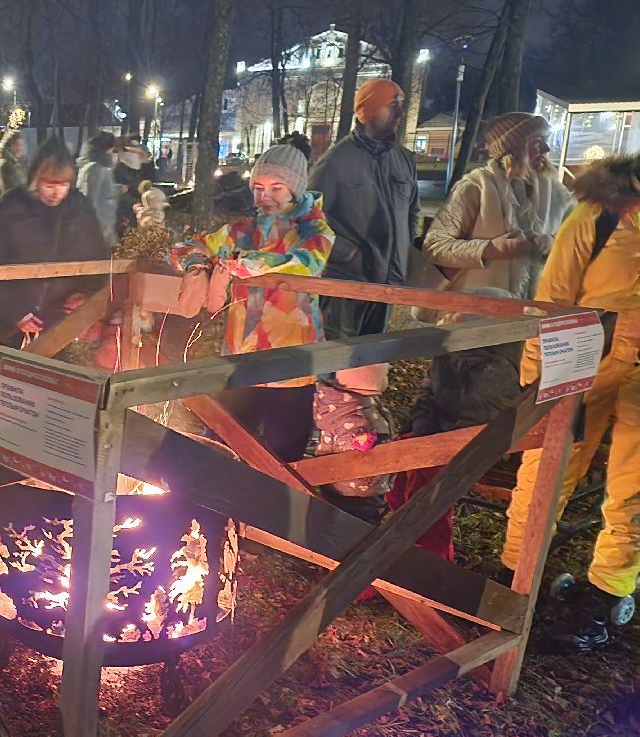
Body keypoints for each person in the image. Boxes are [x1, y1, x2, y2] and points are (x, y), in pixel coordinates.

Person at [500, 155, 640, 654]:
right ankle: (513, 579)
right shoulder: (601, 214)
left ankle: (605, 593)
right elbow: (553, 297)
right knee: (548, 469)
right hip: (585, 361)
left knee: (634, 492)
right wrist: (538, 378)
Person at [170, 143, 334, 461]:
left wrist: (235, 263)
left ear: (296, 189)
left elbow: (302, 263)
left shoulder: (316, 231)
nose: (265, 196)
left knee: (283, 458)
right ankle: (214, 510)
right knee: (221, 446)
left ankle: (274, 511)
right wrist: (196, 266)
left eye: (276, 187)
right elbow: (185, 247)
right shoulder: (241, 231)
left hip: (292, 367)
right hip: (240, 362)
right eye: (258, 187)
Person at [388, 289, 522, 562]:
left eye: (457, 318)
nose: (449, 321)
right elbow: (428, 386)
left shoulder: (495, 368)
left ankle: (431, 559)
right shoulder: (456, 346)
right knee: (395, 459)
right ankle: (401, 533)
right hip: (439, 431)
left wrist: (432, 444)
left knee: (427, 483)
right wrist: (422, 421)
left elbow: (477, 427)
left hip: (474, 445)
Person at [0, 135, 109, 348]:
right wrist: (14, 312)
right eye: (49, 184)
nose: (56, 193)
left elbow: (97, 256)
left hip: (57, 325)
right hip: (8, 328)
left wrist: (85, 293)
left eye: (63, 185)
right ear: (36, 179)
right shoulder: (10, 209)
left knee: (49, 379)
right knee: (5, 379)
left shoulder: (78, 209)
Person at [309, 77, 419, 338]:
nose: (399, 113)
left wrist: (404, 252)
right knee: (335, 364)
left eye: (400, 105)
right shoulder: (334, 162)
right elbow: (307, 222)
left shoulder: (404, 160)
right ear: (369, 111)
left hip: (388, 286)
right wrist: (346, 255)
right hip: (346, 288)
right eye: (392, 105)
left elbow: (412, 212)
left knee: (371, 365)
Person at [423, 112, 573, 301]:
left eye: (545, 141)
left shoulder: (558, 194)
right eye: (537, 142)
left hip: (531, 311)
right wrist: (490, 249)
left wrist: (552, 241)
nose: (546, 149)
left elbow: (576, 237)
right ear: (513, 149)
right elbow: (435, 246)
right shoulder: (474, 188)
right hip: (473, 312)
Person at [76, 132, 122, 249]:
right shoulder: (97, 169)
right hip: (100, 228)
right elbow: (92, 200)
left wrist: (117, 188)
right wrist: (101, 227)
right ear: (107, 149)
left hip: (99, 226)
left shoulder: (90, 167)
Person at [0, 128, 26, 206]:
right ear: (9, 146)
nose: (20, 149)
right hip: (3, 211)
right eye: (17, 145)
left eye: (22, 145)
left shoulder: (9, 162)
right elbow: (10, 191)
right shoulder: (4, 164)